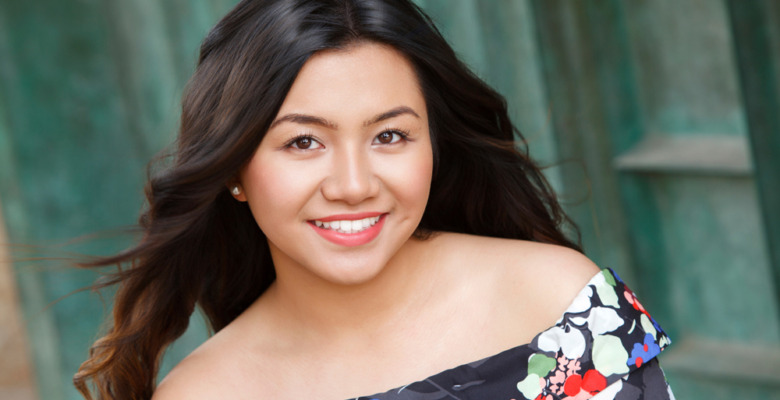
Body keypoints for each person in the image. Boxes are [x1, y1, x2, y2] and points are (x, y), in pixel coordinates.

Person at [74, 0, 673, 399]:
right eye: (304, 142)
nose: (354, 184)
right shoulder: (206, 393)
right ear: (235, 167)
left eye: (390, 135)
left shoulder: (552, 298)